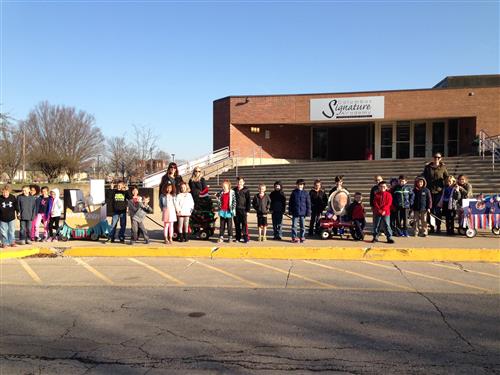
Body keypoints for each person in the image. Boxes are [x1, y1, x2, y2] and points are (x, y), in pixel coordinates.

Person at [422, 153, 449, 233]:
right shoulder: (427, 167)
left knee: (437, 210)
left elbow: (447, 177)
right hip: (429, 191)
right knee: (430, 210)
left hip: (439, 191)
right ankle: (431, 226)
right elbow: (424, 176)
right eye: (435, 157)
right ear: (433, 158)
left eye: (438, 157)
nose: (436, 158)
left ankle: (438, 226)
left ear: (441, 158)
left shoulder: (443, 167)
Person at [289, 179, 311, 243]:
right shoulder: (294, 193)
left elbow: (308, 203)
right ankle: (294, 237)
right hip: (295, 212)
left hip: (303, 212)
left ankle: (302, 237)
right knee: (294, 226)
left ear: (303, 185)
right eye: (298, 184)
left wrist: (308, 212)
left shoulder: (306, 193)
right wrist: (290, 210)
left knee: (303, 226)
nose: (300, 186)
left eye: (301, 185)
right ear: (296, 185)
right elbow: (291, 202)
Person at [233, 177, 251, 243]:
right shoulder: (234, 190)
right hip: (236, 210)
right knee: (237, 224)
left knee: (244, 224)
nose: (239, 183)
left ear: (243, 182)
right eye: (238, 182)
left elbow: (248, 201)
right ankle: (238, 237)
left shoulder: (246, 190)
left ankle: (245, 237)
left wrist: (248, 210)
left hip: (243, 210)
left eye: (240, 182)